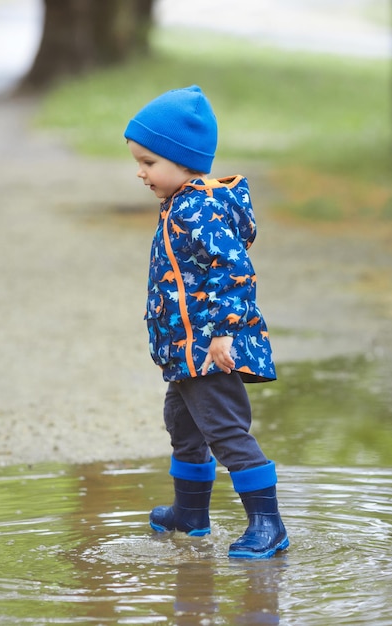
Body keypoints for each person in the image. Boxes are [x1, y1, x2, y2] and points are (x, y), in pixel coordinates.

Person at [124, 85, 289, 559]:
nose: (140, 172)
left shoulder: (201, 206)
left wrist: (223, 333)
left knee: (226, 432)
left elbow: (233, 270)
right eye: (138, 161)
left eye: (148, 162)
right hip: (185, 350)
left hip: (211, 348)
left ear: (182, 159)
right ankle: (191, 513)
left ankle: (268, 523)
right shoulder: (181, 202)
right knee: (183, 426)